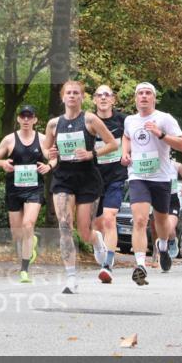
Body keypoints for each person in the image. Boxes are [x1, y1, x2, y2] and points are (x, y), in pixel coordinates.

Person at [42, 81, 117, 294]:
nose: (72, 96)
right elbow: (46, 149)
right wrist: (50, 155)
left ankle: (97, 240)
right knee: (64, 225)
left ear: (82, 97)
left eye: (76, 93)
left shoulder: (90, 119)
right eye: (69, 93)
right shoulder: (54, 124)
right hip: (63, 178)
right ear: (62, 97)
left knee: (84, 232)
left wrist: (92, 154)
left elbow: (113, 144)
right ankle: (71, 278)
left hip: (87, 178)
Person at [121, 82, 182, 284]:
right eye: (140, 93)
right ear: (135, 99)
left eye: (148, 93)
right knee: (140, 220)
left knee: (161, 221)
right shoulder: (130, 120)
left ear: (154, 98)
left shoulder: (164, 118)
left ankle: (164, 246)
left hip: (161, 177)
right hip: (138, 176)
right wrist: (124, 152)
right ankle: (140, 264)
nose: (143, 96)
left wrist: (161, 134)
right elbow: (126, 137)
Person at [0, 104, 51, 283]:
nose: (26, 120)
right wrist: (2, 164)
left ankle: (24, 269)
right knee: (17, 234)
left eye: (29, 116)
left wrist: (49, 166)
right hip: (14, 190)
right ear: (18, 119)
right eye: (22, 116)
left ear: (35, 120)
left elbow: (53, 157)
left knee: (28, 224)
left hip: (34, 189)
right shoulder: (9, 140)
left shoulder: (42, 139)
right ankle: (31, 242)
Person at [92, 85, 128, 283]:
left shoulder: (123, 120)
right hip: (94, 177)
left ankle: (108, 264)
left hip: (116, 175)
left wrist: (127, 153)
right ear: (95, 100)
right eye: (100, 95)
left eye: (107, 95)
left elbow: (132, 140)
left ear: (113, 100)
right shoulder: (88, 121)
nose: (104, 98)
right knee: (96, 225)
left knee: (109, 218)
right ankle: (100, 246)